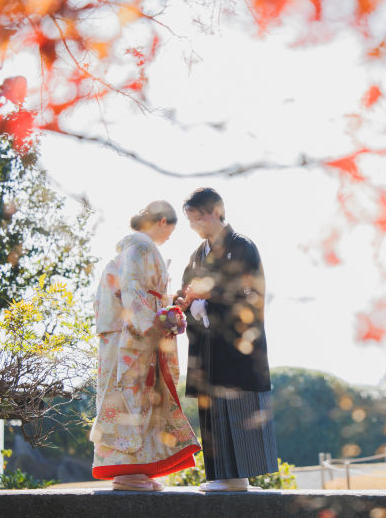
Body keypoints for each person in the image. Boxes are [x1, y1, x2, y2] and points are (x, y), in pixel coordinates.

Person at [91, 201, 201, 491]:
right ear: (162, 220)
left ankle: (137, 469)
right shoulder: (140, 247)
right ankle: (125, 472)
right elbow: (133, 292)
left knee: (137, 397)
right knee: (129, 396)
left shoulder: (133, 249)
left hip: (127, 333)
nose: (168, 238)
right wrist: (155, 323)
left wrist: (168, 311)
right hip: (131, 335)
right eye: (170, 231)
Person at [177, 187, 278, 491]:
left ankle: (238, 479)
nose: (195, 226)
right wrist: (181, 303)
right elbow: (185, 291)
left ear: (216, 212)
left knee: (237, 405)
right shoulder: (197, 255)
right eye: (191, 222)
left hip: (236, 343)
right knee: (212, 409)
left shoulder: (242, 247)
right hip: (208, 344)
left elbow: (251, 294)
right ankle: (222, 478)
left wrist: (208, 296)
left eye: (198, 219)